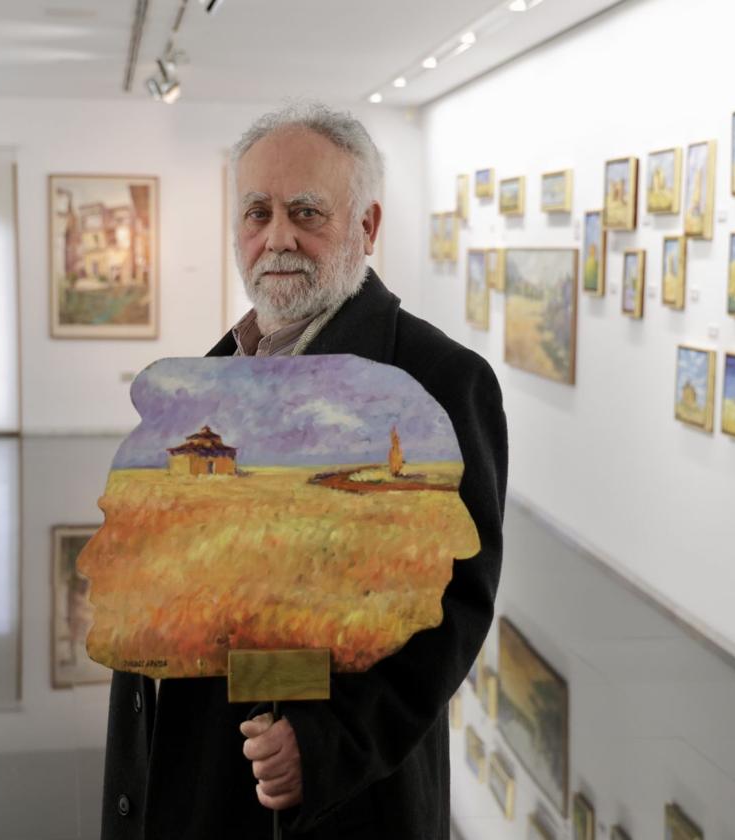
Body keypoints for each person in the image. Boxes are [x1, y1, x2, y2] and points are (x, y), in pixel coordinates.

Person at [101, 102, 507, 840]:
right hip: (200, 774)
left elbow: (452, 609)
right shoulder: (218, 368)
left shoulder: (439, 379)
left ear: (367, 227)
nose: (276, 237)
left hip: (337, 803)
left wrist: (327, 745)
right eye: (256, 212)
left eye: (307, 212)